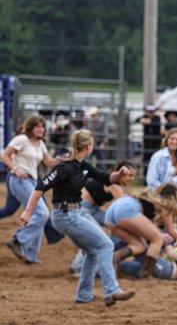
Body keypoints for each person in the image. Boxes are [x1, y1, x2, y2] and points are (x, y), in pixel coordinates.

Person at [18, 129, 135, 306]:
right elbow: (40, 186)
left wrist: (119, 174)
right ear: (89, 147)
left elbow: (105, 177)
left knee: (92, 251)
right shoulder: (64, 168)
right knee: (106, 244)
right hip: (66, 215)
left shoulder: (83, 166)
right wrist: (28, 212)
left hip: (72, 214)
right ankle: (112, 290)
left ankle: (84, 295)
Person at [2, 114, 63, 263]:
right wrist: (16, 169)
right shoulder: (21, 139)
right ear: (30, 127)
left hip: (32, 181)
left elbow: (48, 162)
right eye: (38, 126)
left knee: (37, 215)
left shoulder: (40, 143)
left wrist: (62, 159)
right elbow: (4, 155)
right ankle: (18, 239)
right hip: (19, 180)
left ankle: (30, 256)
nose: (41, 129)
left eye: (43, 127)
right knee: (42, 213)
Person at [105, 182, 177, 278]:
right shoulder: (165, 203)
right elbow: (171, 230)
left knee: (140, 246)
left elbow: (149, 229)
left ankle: (116, 256)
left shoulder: (150, 197)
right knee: (157, 239)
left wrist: (160, 234)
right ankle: (147, 272)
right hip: (126, 210)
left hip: (112, 212)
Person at [136, 105, 162, 175]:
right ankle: (145, 178)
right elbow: (137, 119)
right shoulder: (145, 116)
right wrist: (145, 120)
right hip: (147, 144)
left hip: (155, 144)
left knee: (155, 161)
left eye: (151, 111)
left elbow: (153, 122)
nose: (150, 113)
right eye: (148, 111)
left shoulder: (157, 118)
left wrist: (145, 121)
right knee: (146, 162)